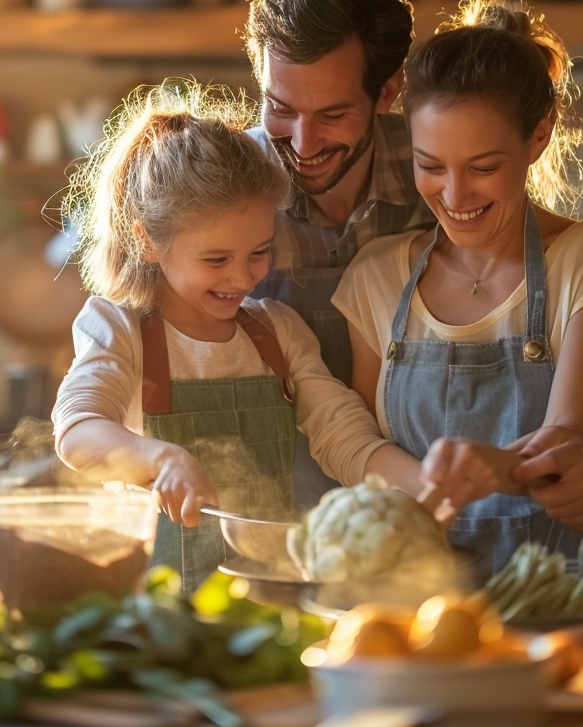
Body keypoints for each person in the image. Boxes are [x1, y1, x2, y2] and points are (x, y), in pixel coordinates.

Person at [244, 0, 583, 527]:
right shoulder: (227, 189)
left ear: (387, 94)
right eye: (281, 109)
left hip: (422, 544)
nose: (303, 143)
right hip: (266, 524)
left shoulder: (443, 152)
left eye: (333, 113)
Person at [50, 82, 419, 591]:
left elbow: (345, 437)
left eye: (259, 252)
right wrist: (163, 459)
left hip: (268, 600)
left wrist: (424, 487)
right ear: (148, 240)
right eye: (217, 259)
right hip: (159, 612)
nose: (244, 277)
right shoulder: (120, 328)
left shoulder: (277, 332)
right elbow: (77, 431)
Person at [334, 0, 583, 580]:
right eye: (431, 166)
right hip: (412, 616)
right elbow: (366, 459)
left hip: (553, 608)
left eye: (482, 167)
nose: (454, 197)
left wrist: (496, 466)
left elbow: (564, 447)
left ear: (539, 135)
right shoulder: (375, 279)